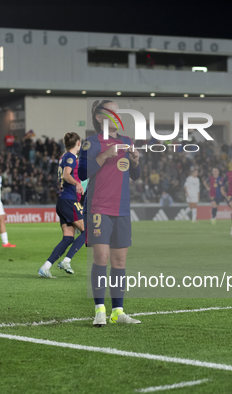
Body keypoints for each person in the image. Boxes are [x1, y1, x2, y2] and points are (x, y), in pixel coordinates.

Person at [79, 99, 141, 327]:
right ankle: (99, 310)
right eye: (111, 111)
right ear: (99, 117)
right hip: (99, 208)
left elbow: (135, 175)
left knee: (120, 261)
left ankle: (118, 311)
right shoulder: (91, 142)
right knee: (101, 258)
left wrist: (135, 162)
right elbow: (83, 173)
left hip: (122, 209)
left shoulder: (126, 141)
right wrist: (105, 156)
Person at [38, 132, 85, 278]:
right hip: (69, 201)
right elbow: (66, 175)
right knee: (88, 231)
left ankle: (45, 267)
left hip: (63, 200)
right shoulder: (70, 157)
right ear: (78, 142)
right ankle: (66, 260)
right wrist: (77, 183)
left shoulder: (63, 157)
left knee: (68, 238)